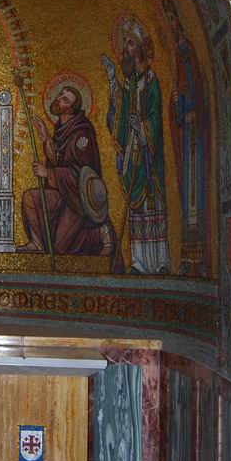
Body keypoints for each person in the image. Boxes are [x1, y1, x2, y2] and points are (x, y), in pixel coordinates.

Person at [102, 17, 170, 275]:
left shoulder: (151, 81)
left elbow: (155, 116)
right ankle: (140, 263)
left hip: (149, 154)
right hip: (133, 152)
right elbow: (117, 113)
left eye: (130, 44)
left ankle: (161, 262)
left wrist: (142, 126)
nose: (125, 50)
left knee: (152, 205)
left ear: (141, 48)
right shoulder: (129, 84)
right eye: (124, 45)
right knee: (136, 208)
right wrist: (111, 79)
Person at [20, 84, 114, 257]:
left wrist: (48, 173)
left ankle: (99, 233)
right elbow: (58, 160)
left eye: (65, 100)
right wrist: (46, 137)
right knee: (30, 198)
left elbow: (81, 176)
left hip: (78, 200)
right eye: (60, 95)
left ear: (71, 109)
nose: (58, 99)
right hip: (63, 192)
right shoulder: (62, 128)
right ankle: (37, 242)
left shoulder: (82, 134)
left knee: (60, 248)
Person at [160, 0, 211, 277]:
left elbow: (198, 90)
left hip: (194, 132)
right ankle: (189, 256)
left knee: (195, 196)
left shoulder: (188, 52)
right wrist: (175, 101)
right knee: (186, 196)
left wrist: (184, 98)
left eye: (172, 20)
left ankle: (199, 259)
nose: (171, 26)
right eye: (167, 22)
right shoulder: (180, 56)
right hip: (185, 129)